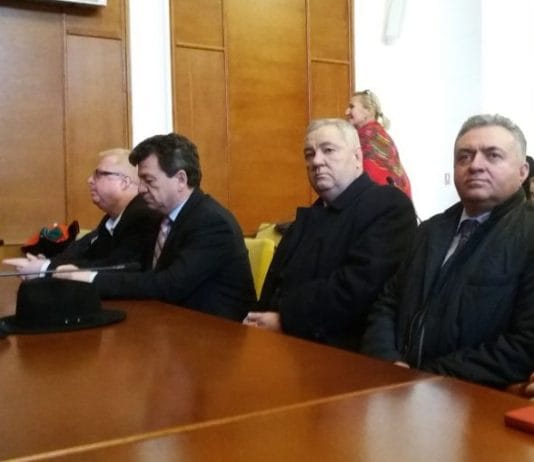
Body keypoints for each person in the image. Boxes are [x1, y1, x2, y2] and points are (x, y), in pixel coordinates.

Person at [360, 114, 534, 389]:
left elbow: (524, 345)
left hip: (472, 399)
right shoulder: (430, 231)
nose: (475, 165)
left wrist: (427, 377)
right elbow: (388, 302)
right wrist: (387, 360)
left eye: (493, 156)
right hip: (397, 387)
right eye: (464, 156)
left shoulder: (528, 236)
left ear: (523, 171)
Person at [243, 118, 417, 351]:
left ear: (357, 157)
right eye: (309, 154)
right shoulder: (308, 218)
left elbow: (356, 289)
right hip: (279, 345)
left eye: (328, 150)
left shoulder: (389, 206)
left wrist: (284, 319)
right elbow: (274, 286)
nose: (316, 161)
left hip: (342, 351)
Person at [55, 132, 256, 322]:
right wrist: (83, 274)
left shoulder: (212, 223)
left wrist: (91, 279)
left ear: (180, 179)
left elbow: (169, 285)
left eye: (148, 180)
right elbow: (138, 270)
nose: (141, 189)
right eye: (140, 180)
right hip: (170, 323)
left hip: (216, 333)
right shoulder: (159, 218)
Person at [4, 148, 160, 275]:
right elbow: (87, 256)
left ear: (124, 182)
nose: (90, 180)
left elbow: (116, 267)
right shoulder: (111, 219)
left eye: (99, 174)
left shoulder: (143, 215)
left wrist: (45, 268)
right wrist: (46, 263)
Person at [345, 89, 412, 197]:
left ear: (368, 110)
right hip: (399, 200)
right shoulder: (380, 134)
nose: (347, 112)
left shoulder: (365, 137)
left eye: (352, 107)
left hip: (382, 201)